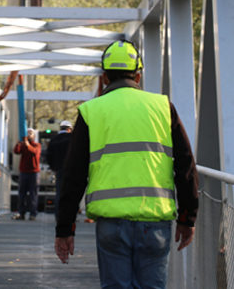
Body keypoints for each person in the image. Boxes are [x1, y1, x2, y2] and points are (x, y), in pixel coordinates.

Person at [54, 40, 199, 288]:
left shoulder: (92, 111)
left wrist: (65, 228)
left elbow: (74, 174)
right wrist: (188, 217)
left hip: (111, 223)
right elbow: (185, 165)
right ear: (138, 76)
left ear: (104, 78)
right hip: (155, 222)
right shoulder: (163, 107)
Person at [13, 128, 41, 221]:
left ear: (34, 136)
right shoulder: (23, 145)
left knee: (33, 194)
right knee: (22, 194)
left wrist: (27, 143)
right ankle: (21, 213)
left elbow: (34, 152)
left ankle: (33, 214)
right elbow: (16, 151)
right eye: (27, 133)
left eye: (31, 133)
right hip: (24, 172)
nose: (29, 135)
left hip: (34, 172)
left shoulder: (37, 145)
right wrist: (19, 143)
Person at [46, 120, 73, 220]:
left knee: (59, 193)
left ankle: (58, 215)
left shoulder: (54, 140)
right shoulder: (73, 139)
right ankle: (69, 215)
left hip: (59, 170)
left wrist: (54, 167)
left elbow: (49, 156)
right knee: (71, 193)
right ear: (69, 129)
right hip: (72, 170)